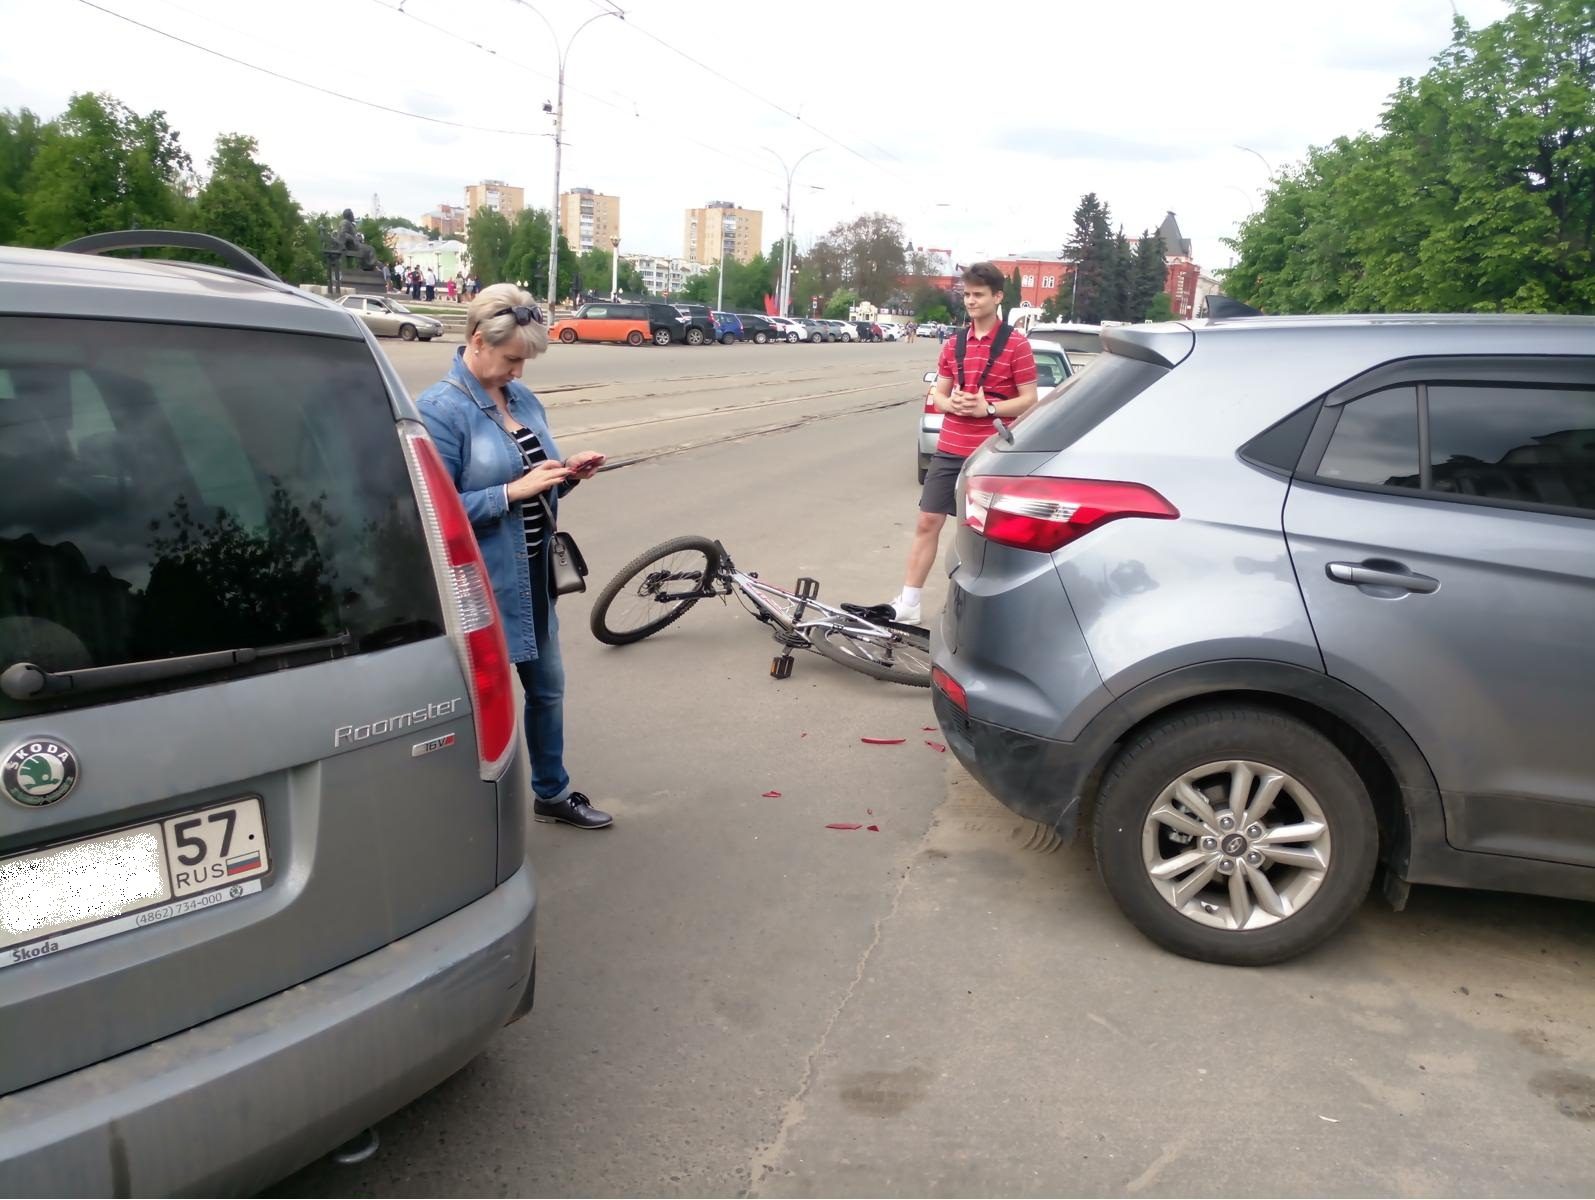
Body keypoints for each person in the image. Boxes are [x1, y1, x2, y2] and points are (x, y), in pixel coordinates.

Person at [416, 284, 614, 830]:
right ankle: (462, 812)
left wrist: (565, 475)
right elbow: (429, 509)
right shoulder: (440, 410)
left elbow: (535, 482)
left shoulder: (522, 400)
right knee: (476, 705)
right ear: (477, 341)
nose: (519, 373)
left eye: (524, 362)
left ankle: (551, 793)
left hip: (532, 575)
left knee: (547, 691)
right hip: (478, 584)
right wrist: (511, 493)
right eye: (510, 360)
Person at [880, 262, 1039, 624]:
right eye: (966, 294)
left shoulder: (1017, 344)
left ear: (998, 297)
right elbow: (939, 392)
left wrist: (990, 407)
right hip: (950, 447)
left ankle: (983, 613)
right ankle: (909, 603)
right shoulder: (954, 343)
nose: (971, 301)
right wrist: (948, 403)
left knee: (980, 536)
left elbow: (1030, 399)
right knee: (926, 522)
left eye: (978, 295)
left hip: (991, 455)